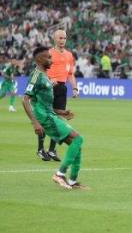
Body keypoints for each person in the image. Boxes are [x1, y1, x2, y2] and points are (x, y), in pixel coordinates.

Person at [22, 47, 87, 190]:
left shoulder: (45, 76)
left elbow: (45, 104)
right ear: (39, 59)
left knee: (76, 145)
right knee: (78, 139)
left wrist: (61, 112)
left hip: (50, 114)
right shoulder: (35, 75)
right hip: (45, 118)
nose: (51, 60)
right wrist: (35, 122)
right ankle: (60, 174)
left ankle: (72, 181)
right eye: (48, 57)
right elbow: (25, 99)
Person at [38, 29, 79, 162]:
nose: (62, 40)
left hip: (61, 88)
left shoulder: (69, 55)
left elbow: (70, 74)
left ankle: (51, 150)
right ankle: (40, 149)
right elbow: (40, 70)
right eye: (60, 38)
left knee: (58, 119)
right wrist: (48, 80)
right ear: (54, 39)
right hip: (48, 88)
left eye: (64, 38)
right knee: (46, 118)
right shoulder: (49, 53)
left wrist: (75, 88)